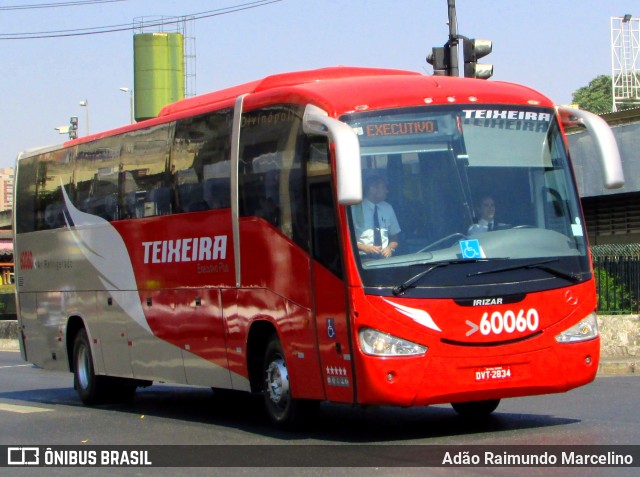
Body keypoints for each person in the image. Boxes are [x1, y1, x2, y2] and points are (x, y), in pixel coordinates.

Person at [352, 174, 400, 258]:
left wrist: (390, 248)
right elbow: (345, 239)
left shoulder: (388, 208)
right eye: (384, 187)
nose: (387, 191)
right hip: (361, 260)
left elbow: (395, 238)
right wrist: (365, 248)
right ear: (372, 189)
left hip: (385, 260)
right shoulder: (354, 209)